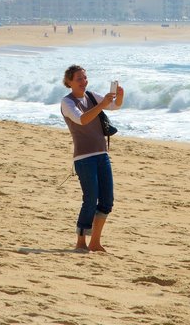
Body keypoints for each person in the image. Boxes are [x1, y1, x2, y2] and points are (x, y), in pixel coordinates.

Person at [60, 65, 124, 252]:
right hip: (84, 157)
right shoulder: (67, 102)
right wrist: (102, 104)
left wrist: (119, 95)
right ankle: (81, 242)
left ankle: (95, 242)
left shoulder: (91, 96)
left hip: (102, 154)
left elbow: (115, 106)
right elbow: (82, 119)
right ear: (69, 82)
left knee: (107, 200)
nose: (83, 81)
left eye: (85, 78)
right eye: (79, 78)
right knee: (90, 199)